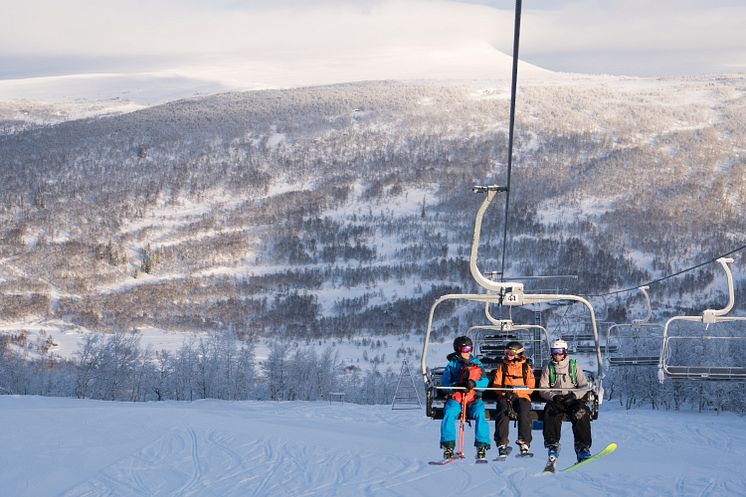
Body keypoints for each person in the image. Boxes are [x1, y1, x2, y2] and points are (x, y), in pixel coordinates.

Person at [538, 338, 593, 463]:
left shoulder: (574, 366)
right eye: (555, 352)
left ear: (565, 352)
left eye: (560, 352)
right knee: (550, 413)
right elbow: (542, 388)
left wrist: (574, 395)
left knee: (581, 413)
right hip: (557, 401)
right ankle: (553, 445)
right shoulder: (548, 368)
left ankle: (582, 447)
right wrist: (553, 396)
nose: (557, 355)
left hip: (572, 401)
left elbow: (584, 386)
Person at [439, 335, 491, 460]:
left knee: (480, 412)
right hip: (457, 398)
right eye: (465, 349)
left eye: (470, 349)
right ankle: (448, 445)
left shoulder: (477, 364)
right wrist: (455, 386)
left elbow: (485, 382)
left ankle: (482, 445)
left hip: (473, 399)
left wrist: (474, 384)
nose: (468, 352)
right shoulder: (452, 364)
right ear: (457, 349)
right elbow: (444, 384)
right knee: (449, 412)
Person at [491, 340, 535, 456]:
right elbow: (496, 384)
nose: (508, 356)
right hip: (506, 396)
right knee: (503, 410)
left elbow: (531, 387)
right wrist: (506, 392)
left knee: (524, 410)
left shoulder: (526, 367)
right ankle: (502, 442)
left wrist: (516, 392)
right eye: (506, 353)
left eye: (510, 353)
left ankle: (524, 441)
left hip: (522, 396)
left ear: (518, 353)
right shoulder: (503, 367)